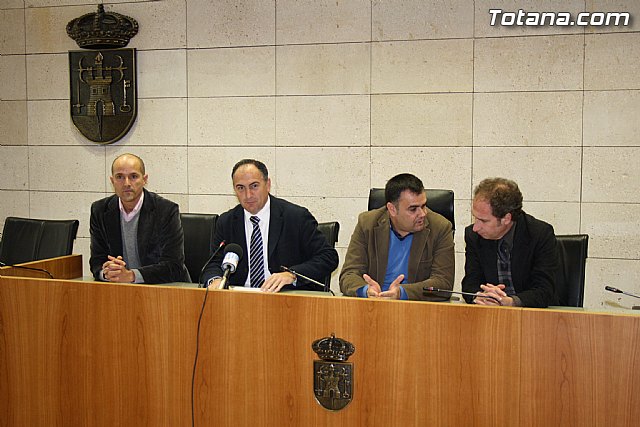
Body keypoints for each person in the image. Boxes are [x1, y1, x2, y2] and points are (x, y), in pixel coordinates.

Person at [201, 159, 338, 292]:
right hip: (240, 297)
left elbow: (328, 256)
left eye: (254, 186)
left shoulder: (296, 217)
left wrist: (292, 275)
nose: (248, 195)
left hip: (284, 297)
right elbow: (213, 263)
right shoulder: (227, 221)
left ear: (268, 185)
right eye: (241, 188)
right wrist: (215, 279)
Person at [339, 173, 454, 300]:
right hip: (374, 304)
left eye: (423, 206)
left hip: (415, 306)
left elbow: (443, 283)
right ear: (392, 209)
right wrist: (366, 290)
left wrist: (403, 293)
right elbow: (349, 274)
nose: (422, 214)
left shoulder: (440, 228)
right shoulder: (367, 224)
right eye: (413, 209)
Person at [89, 153, 190, 284]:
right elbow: (97, 260)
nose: (126, 183)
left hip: (163, 288)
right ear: (112, 181)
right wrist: (108, 273)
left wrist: (131, 276)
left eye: (133, 176)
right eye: (119, 177)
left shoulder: (166, 210)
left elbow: (173, 266)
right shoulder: (99, 210)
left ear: (144, 179)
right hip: (118, 289)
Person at [462, 177, 557, 308]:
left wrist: (511, 302)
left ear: (506, 218)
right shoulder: (473, 236)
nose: (475, 228)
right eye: (475, 217)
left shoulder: (540, 234)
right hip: (489, 312)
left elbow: (544, 291)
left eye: (483, 221)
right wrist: (480, 296)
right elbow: (470, 283)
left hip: (530, 314)